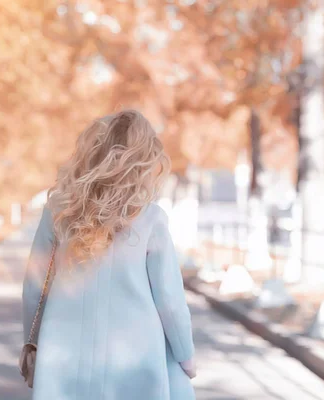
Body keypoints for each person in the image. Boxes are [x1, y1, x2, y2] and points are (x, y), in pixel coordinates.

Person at [22, 109, 196, 400]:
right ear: (144, 162)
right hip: (135, 364)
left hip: (62, 361)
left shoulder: (59, 211)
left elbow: (33, 287)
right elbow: (170, 301)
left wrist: (33, 341)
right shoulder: (150, 219)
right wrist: (185, 355)